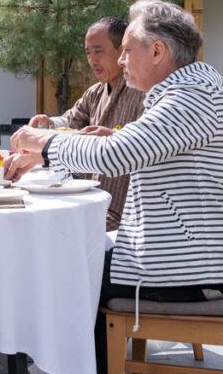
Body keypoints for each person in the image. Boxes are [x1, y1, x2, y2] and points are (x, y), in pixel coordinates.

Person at [8, 0, 223, 302]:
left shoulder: (191, 96)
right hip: (184, 257)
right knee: (68, 257)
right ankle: (91, 350)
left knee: (59, 270)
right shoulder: (185, 91)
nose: (121, 61)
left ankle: (83, 350)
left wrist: (42, 141)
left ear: (157, 51)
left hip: (194, 267)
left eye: (126, 50)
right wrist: (43, 153)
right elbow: (122, 144)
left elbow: (115, 153)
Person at [25, 16, 145, 230]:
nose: (92, 60)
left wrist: (114, 136)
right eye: (88, 53)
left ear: (121, 51)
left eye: (98, 51)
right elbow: (72, 120)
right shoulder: (96, 92)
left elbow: (141, 143)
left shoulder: (141, 91)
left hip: (125, 214)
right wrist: (49, 122)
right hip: (93, 202)